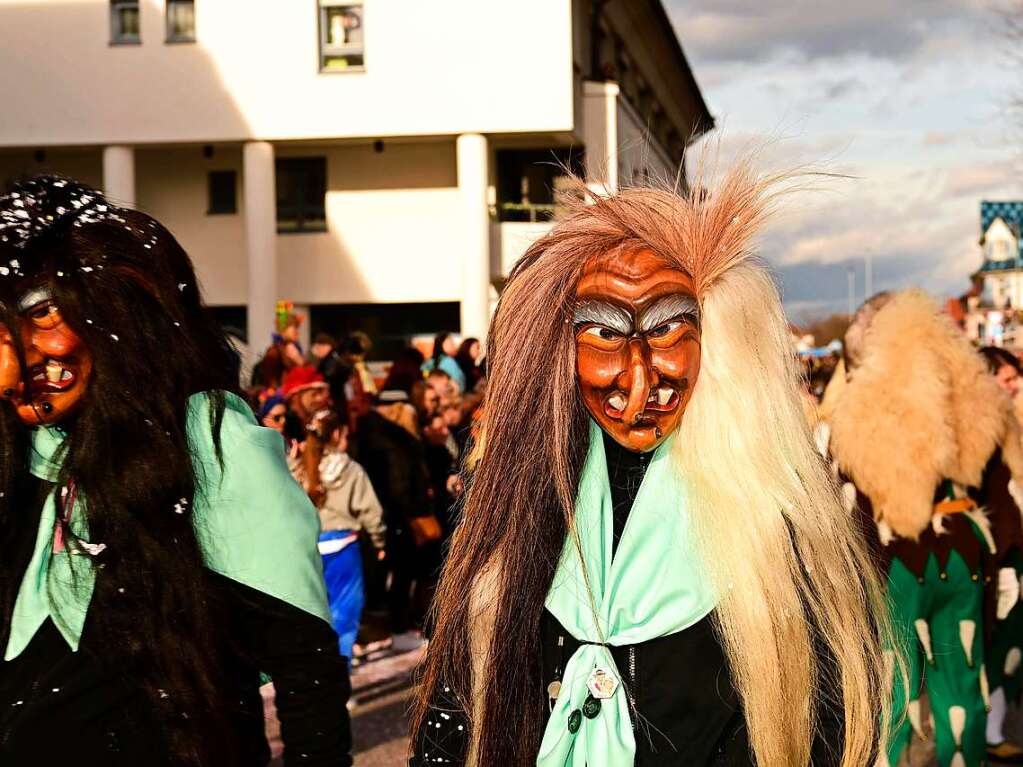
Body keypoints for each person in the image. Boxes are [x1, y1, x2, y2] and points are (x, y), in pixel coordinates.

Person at [410, 165, 891, 767]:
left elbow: (829, 719)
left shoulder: (776, 520)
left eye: (666, 331)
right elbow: (455, 708)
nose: (638, 384)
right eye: (605, 337)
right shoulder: (519, 504)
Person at [0, 176, 351, 766]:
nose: (25, 359)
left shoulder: (207, 444)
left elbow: (305, 673)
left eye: (45, 312)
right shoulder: (16, 451)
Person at [826, 291, 1023, 767]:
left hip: (894, 565)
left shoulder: (861, 407)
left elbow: (845, 499)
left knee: (896, 692)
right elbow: (1001, 487)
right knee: (963, 685)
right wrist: (1004, 561)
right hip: (963, 556)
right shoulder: (973, 393)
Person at [298, 410, 386, 666]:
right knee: (344, 617)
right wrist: (379, 541)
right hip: (344, 549)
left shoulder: (302, 469)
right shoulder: (350, 470)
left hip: (310, 547)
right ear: (336, 434)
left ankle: (317, 677)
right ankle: (340, 680)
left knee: (315, 615)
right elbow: (371, 511)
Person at [354, 390, 439, 637]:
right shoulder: (395, 444)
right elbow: (398, 485)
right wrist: (411, 514)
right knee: (405, 574)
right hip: (403, 518)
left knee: (403, 574)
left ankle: (402, 623)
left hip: (396, 516)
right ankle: (401, 626)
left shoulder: (377, 438)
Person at [979, 344, 1023, 762]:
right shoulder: (982, 428)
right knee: (999, 639)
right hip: (998, 552)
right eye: (1007, 378)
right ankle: (988, 730)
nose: (1015, 386)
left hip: (1013, 547)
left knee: (1014, 643)